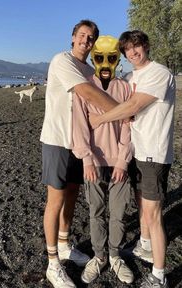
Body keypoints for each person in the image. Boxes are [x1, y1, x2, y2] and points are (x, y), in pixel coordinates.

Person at [89, 30, 175, 288]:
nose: (132, 52)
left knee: (153, 212)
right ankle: (145, 246)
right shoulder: (128, 76)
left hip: (154, 152)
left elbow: (133, 106)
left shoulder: (160, 73)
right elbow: (117, 100)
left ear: (146, 46)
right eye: (127, 49)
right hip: (136, 151)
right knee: (141, 205)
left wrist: (100, 119)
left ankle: (159, 276)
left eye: (136, 47)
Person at [40, 19, 118, 288]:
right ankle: (53, 264)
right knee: (56, 198)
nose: (87, 40)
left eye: (91, 37)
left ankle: (64, 245)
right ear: (73, 37)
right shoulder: (62, 60)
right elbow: (86, 93)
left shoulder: (90, 68)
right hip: (57, 140)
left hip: (79, 143)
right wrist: (124, 111)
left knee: (72, 193)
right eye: (82, 35)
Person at [72, 35, 134, 285]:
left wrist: (122, 161)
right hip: (93, 163)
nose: (105, 63)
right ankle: (99, 256)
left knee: (118, 213)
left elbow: (129, 127)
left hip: (118, 162)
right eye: (100, 58)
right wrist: (86, 159)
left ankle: (115, 255)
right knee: (96, 213)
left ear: (117, 59)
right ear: (94, 58)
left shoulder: (125, 88)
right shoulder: (85, 86)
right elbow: (78, 125)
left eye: (111, 58)